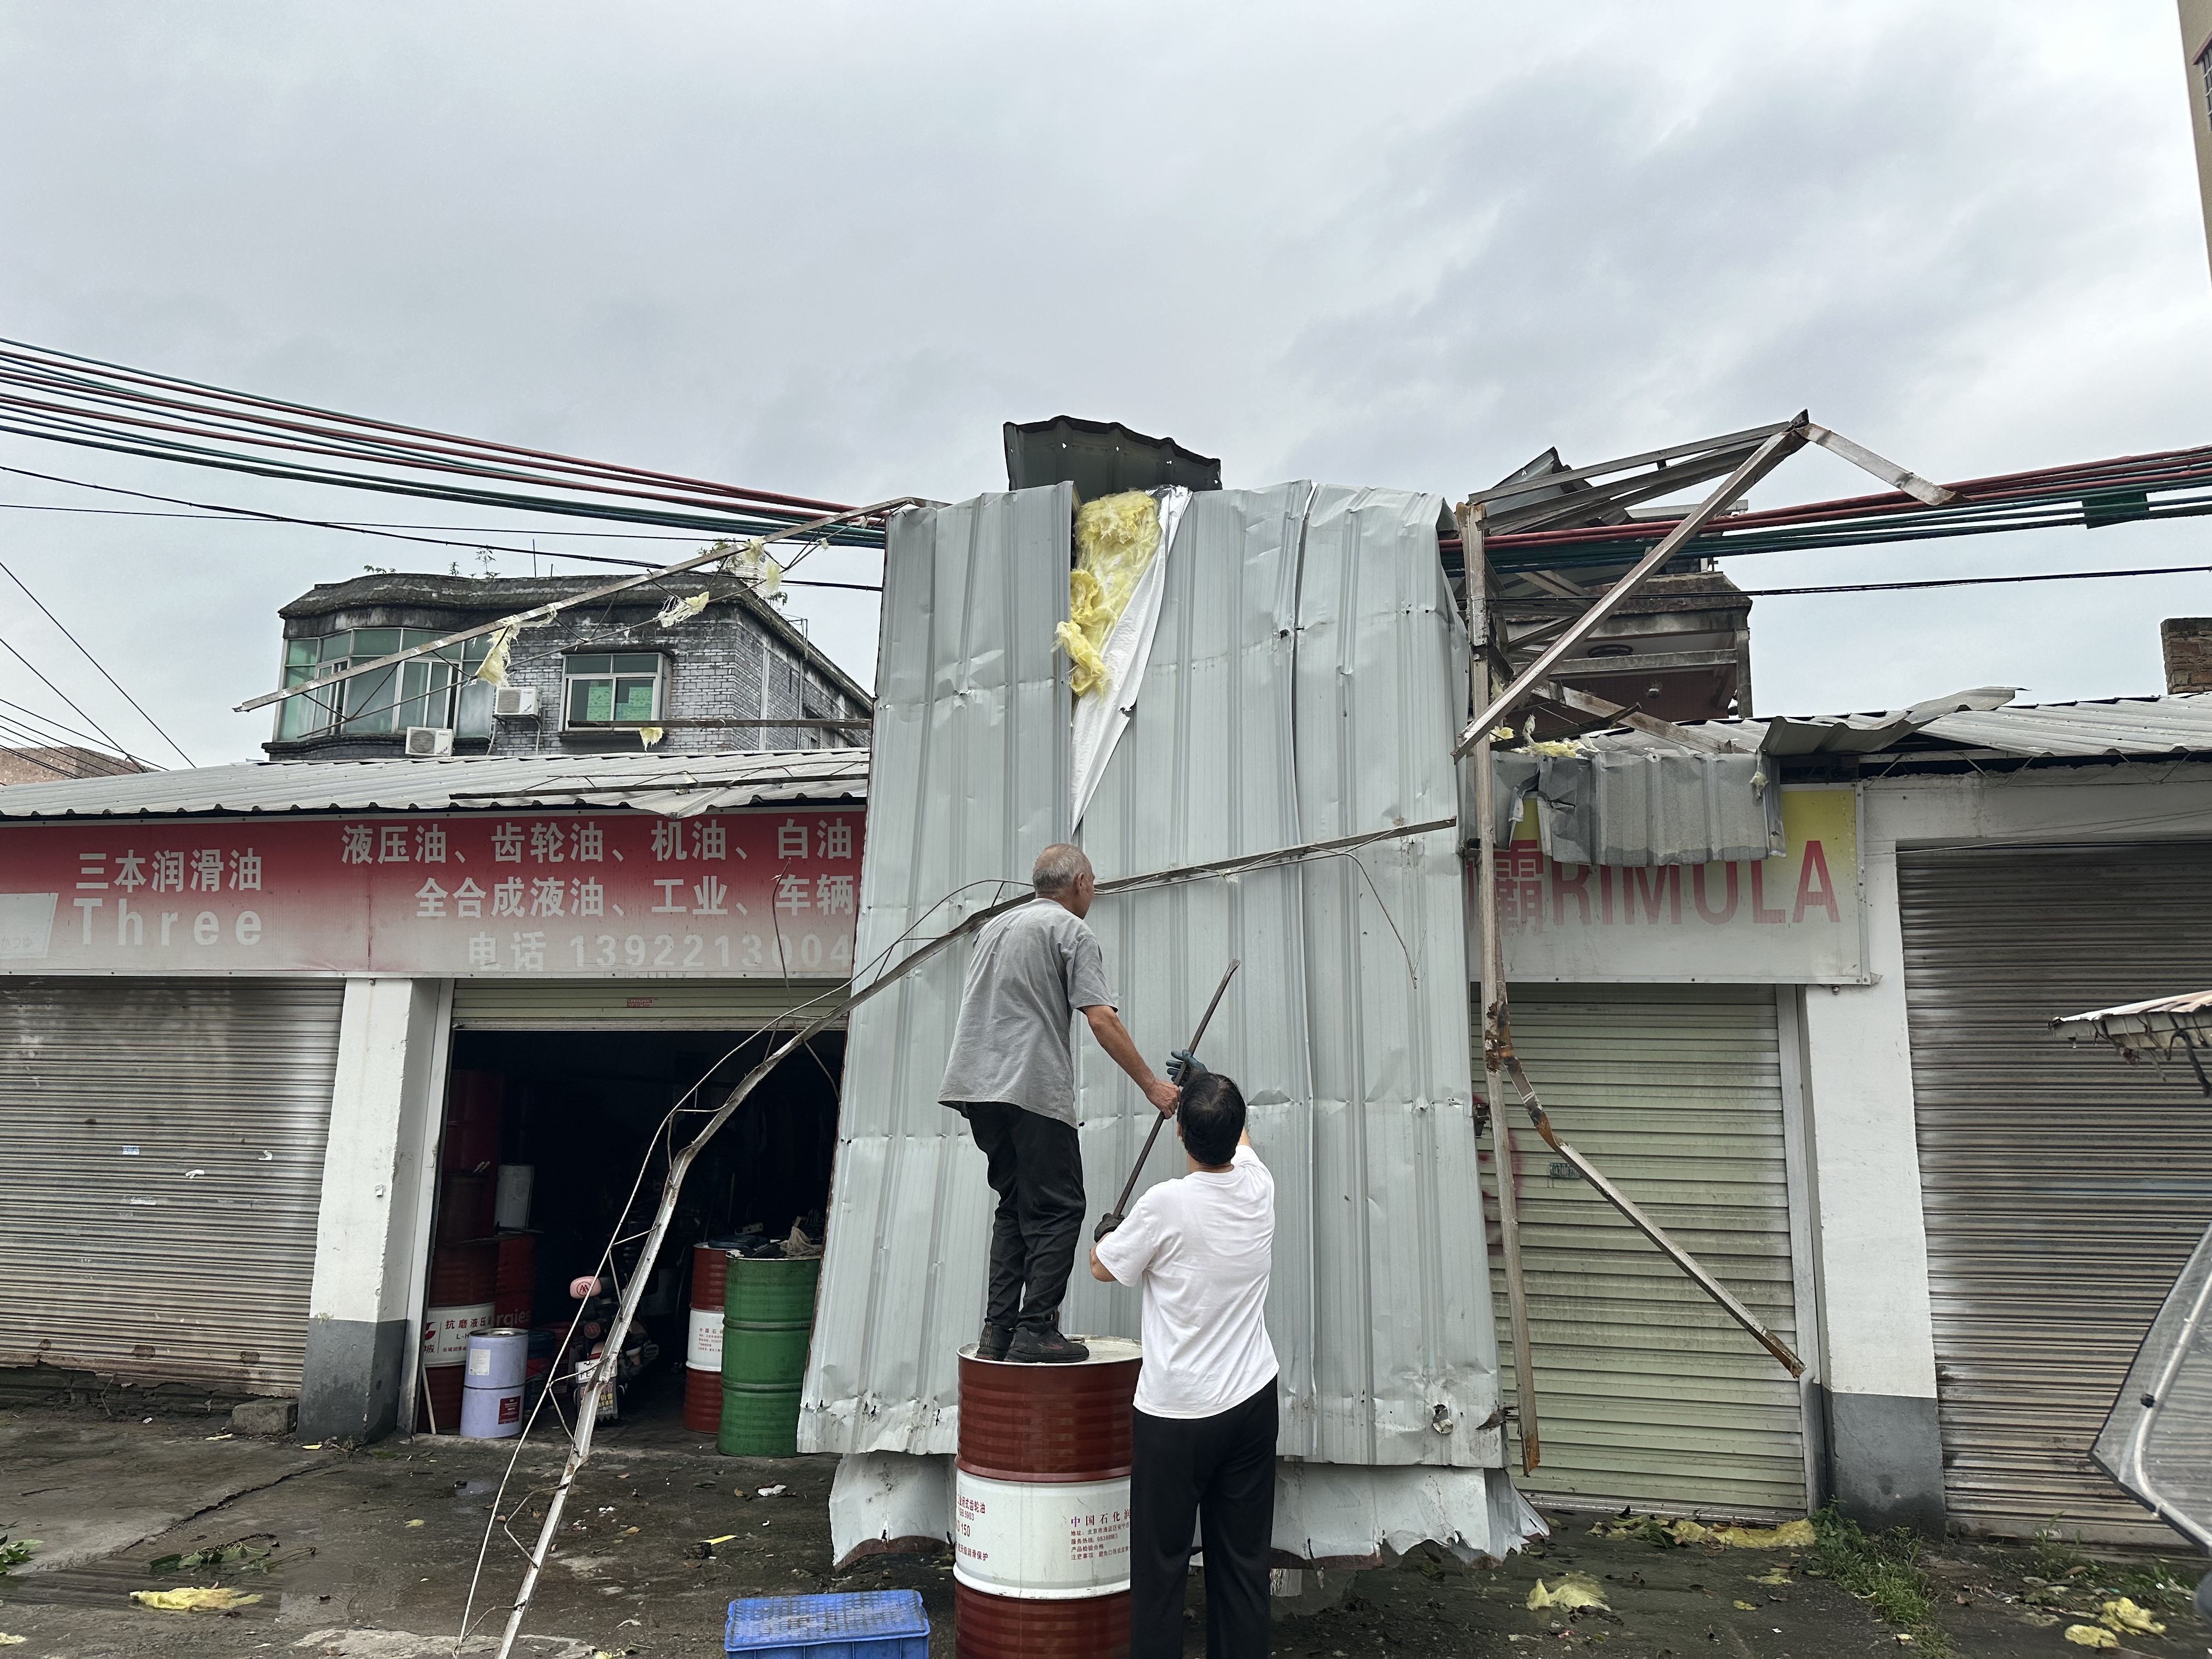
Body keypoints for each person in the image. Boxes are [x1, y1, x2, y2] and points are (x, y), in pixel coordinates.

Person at [940, 842, 1180, 1364]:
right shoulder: (1071, 930)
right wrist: (1152, 1086)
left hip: (977, 1089)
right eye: (1092, 881)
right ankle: (1036, 1330)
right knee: (1060, 1207)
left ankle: (997, 1332)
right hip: (1029, 1086)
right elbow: (1102, 1019)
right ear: (1080, 884)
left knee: (1016, 1205)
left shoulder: (997, 927)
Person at [1090, 1069, 1278, 1659]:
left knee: (1161, 1569)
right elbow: (1239, 1135)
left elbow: (1101, 1267)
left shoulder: (1165, 1204)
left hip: (1176, 1418)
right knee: (1243, 1566)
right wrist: (1202, 1081)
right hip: (1252, 1402)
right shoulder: (1257, 1182)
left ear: (1180, 1135)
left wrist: (1105, 1234)